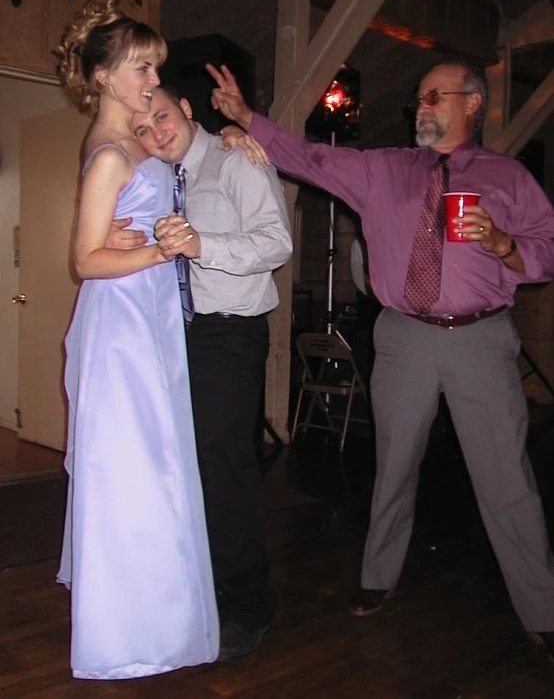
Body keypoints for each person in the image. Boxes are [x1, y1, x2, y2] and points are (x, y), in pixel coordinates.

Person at [206, 60, 554, 658]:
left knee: (507, 480)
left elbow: (548, 249)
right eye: (418, 97)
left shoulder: (509, 177)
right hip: (404, 337)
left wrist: (504, 245)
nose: (420, 105)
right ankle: (378, 573)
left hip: (480, 339)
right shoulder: (383, 169)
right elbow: (308, 156)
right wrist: (245, 118)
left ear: (471, 104)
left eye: (434, 96)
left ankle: (542, 606)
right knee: (393, 466)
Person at [55, 0, 219, 679]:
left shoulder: (132, 142)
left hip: (144, 319)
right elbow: (84, 260)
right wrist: (156, 252)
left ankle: (160, 614)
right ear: (103, 76)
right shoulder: (108, 156)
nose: (154, 76)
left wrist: (231, 136)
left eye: (155, 63)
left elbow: (179, 155)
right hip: (122, 326)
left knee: (155, 466)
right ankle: (129, 628)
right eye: (142, 65)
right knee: (132, 471)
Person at [107, 86, 292, 660]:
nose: (156, 132)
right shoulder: (161, 176)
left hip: (229, 334)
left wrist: (201, 245)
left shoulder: (238, 159)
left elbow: (277, 243)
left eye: (161, 116)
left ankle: (249, 606)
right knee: (183, 467)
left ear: (186, 108)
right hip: (173, 334)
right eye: (143, 128)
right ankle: (204, 592)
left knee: (224, 466)